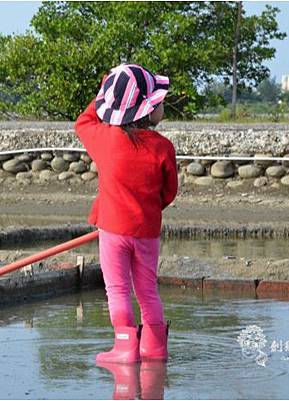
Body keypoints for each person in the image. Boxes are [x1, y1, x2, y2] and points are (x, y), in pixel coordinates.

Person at [74, 63, 178, 364]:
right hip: (147, 231)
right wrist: (148, 208)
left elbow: (83, 121)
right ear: (146, 111)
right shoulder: (163, 147)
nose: (162, 105)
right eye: (158, 102)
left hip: (112, 230)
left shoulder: (105, 139)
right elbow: (168, 192)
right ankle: (155, 347)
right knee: (147, 291)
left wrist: (108, 86)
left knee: (117, 289)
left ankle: (125, 348)